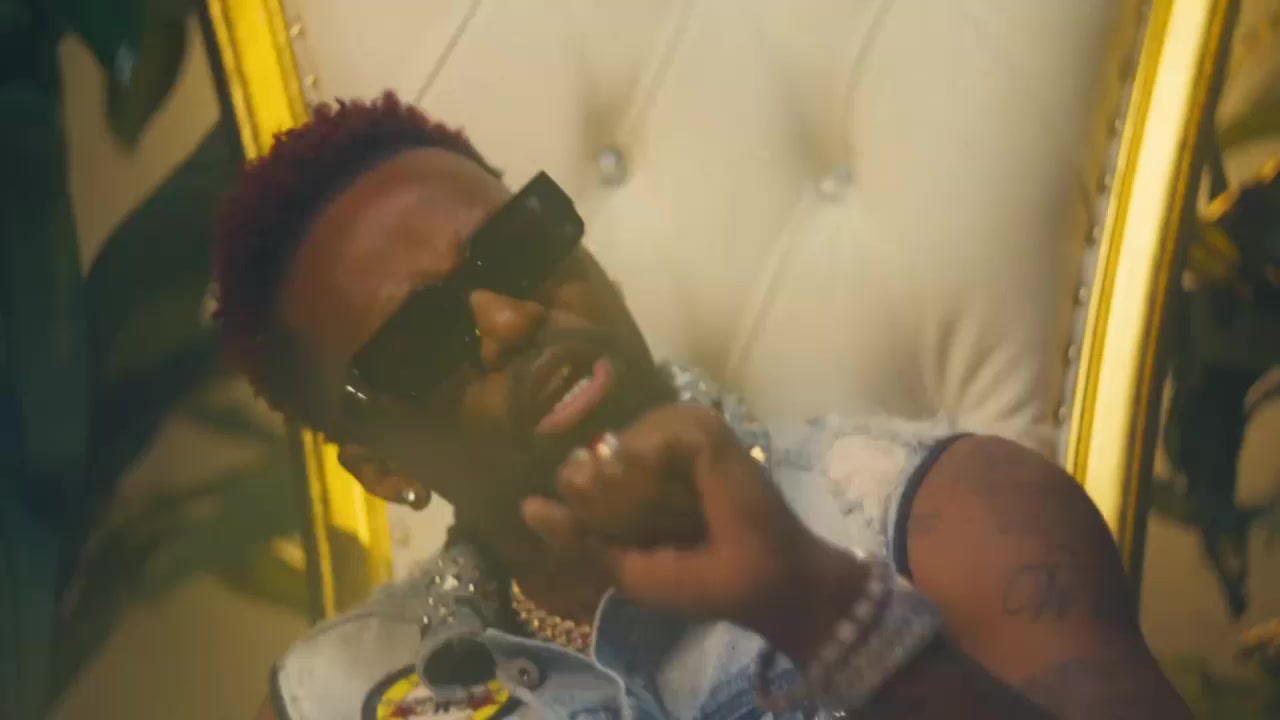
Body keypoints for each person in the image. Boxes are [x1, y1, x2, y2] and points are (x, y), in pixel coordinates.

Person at [214, 92, 1191, 720]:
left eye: (517, 247)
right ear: (382, 468)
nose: (511, 319)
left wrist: (824, 616)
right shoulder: (331, 697)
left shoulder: (940, 515)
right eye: (423, 340)